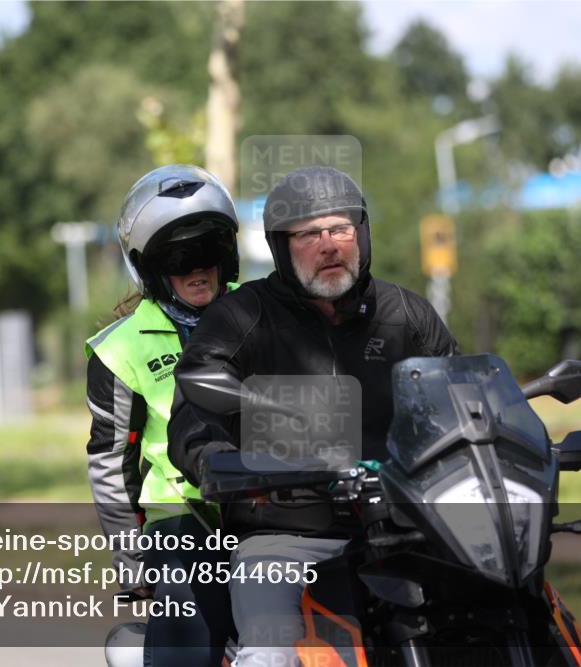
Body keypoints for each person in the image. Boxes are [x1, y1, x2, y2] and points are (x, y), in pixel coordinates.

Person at [168, 166, 459, 666]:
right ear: (281, 248)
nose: (328, 246)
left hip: (403, 528)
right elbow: (194, 410)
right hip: (285, 535)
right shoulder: (241, 317)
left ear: (361, 234)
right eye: (307, 234)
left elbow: (459, 396)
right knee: (270, 652)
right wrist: (217, 459)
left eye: (340, 228)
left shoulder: (406, 315)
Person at [84, 164, 239, 667]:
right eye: (178, 257)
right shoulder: (119, 350)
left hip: (273, 504)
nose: (197, 268)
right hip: (182, 518)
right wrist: (132, 561)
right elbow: (112, 465)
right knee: (188, 632)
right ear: (149, 268)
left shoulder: (265, 314)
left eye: (208, 251)